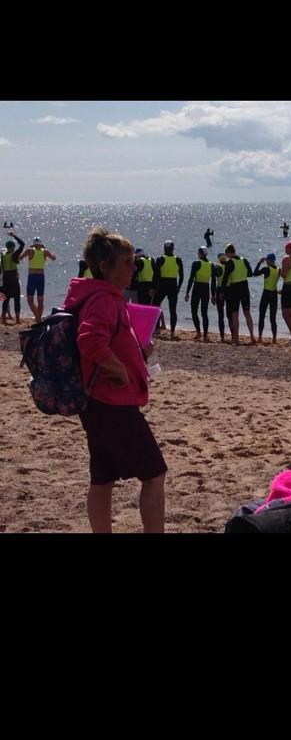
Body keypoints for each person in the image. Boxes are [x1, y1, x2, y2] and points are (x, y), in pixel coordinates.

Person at [63, 227, 166, 533]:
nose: (133, 268)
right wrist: (119, 369)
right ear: (105, 267)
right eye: (126, 262)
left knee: (102, 479)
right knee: (154, 474)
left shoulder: (104, 296)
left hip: (97, 401)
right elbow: (90, 340)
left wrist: (138, 354)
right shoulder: (103, 300)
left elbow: (105, 341)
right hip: (112, 404)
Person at [221, 243, 256, 346]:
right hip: (245, 288)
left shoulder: (230, 262)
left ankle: (236, 339)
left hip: (234, 289)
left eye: (226, 254)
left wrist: (222, 291)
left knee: (235, 314)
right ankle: (252, 336)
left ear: (228, 253)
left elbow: (225, 278)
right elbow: (250, 273)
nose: (226, 256)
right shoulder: (244, 260)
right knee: (247, 313)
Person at [19, 235, 56, 322]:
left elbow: (19, 258)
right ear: (40, 244)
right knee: (40, 300)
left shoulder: (29, 250)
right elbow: (54, 258)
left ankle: (38, 318)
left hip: (32, 277)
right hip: (41, 277)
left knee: (30, 299)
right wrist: (45, 249)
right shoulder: (45, 251)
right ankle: (38, 318)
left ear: (33, 244)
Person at [184, 247, 217, 341]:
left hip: (197, 288)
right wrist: (213, 295)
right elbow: (214, 282)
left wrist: (187, 292)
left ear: (200, 253)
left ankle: (198, 332)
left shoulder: (196, 263)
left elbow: (191, 278)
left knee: (194, 311)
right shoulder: (211, 265)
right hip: (206, 288)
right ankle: (205, 335)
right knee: (204, 312)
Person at [153, 239, 184, 340]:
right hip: (173, 286)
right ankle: (172, 332)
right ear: (173, 248)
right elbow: (182, 276)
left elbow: (156, 275)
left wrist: (153, 287)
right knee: (173, 310)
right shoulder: (178, 259)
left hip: (162, 285)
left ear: (164, 248)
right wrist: (179, 287)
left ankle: (156, 329)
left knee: (155, 306)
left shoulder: (160, 259)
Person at [252, 253, 280, 343]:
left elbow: (254, 273)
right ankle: (274, 338)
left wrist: (259, 263)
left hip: (266, 293)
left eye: (266, 260)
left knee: (262, 315)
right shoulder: (279, 270)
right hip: (274, 294)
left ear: (268, 260)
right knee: (273, 318)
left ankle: (260, 337)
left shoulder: (266, 269)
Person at [1, 233, 25, 324]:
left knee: (6, 299)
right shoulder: (14, 255)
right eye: (13, 247)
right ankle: (18, 320)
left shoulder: (3, 256)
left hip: (6, 278)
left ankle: (3, 319)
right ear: (11, 247)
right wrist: (14, 235)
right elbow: (22, 244)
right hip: (13, 279)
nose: (14, 248)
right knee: (17, 299)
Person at [213, 252, 229, 342]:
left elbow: (214, 282)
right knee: (229, 314)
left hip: (220, 290)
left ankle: (222, 337)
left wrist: (213, 294)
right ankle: (233, 336)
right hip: (229, 290)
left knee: (221, 315)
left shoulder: (217, 267)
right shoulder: (229, 266)